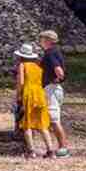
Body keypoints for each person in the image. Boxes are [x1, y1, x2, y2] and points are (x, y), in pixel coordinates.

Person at [15, 44, 51, 159]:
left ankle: (31, 151)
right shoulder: (38, 66)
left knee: (27, 123)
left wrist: (18, 95)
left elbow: (21, 82)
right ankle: (50, 150)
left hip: (28, 93)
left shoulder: (22, 65)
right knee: (42, 124)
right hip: (40, 93)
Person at [38, 29, 70, 158]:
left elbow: (59, 71)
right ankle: (60, 146)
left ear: (48, 40)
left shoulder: (50, 53)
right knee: (53, 119)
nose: (40, 42)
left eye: (42, 39)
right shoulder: (55, 51)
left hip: (51, 88)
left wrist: (56, 79)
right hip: (54, 88)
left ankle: (63, 147)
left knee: (54, 119)